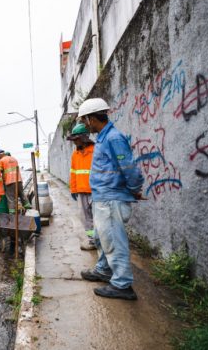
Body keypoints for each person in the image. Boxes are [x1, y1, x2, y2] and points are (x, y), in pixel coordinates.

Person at [78, 98, 144, 300]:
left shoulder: (113, 138)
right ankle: (104, 270)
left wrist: (134, 188)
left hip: (111, 199)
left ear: (91, 118)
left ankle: (122, 284)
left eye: (85, 120)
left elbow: (128, 168)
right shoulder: (103, 138)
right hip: (103, 198)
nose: (85, 125)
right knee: (101, 238)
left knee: (114, 241)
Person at [68, 123, 96, 251]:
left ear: (84, 137)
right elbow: (73, 173)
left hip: (96, 191)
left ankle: (101, 240)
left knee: (99, 218)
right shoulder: (75, 155)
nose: (74, 142)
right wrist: (73, 189)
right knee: (85, 218)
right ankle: (92, 241)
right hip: (81, 191)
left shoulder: (96, 151)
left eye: (76, 139)